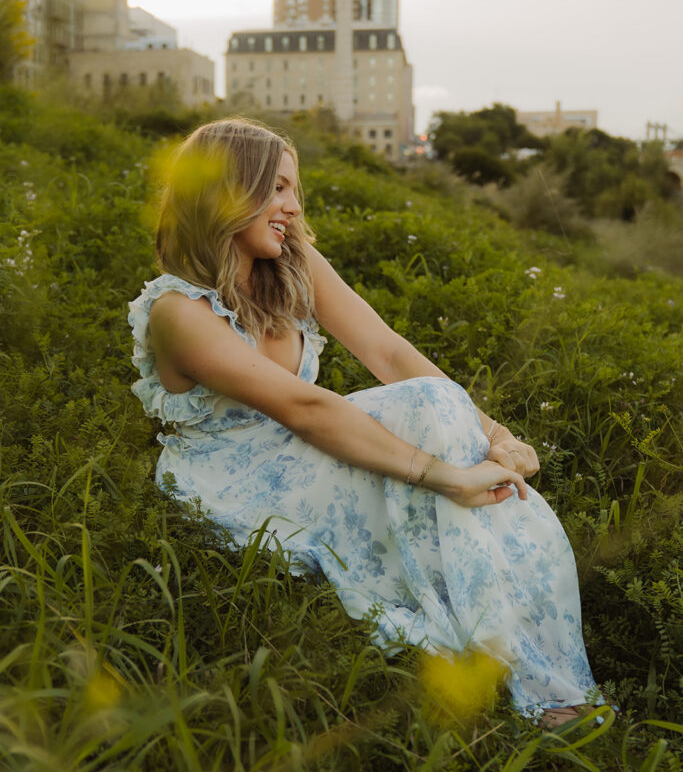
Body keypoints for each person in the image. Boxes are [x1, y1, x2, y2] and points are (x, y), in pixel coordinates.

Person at [129, 118, 600, 726]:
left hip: (307, 442)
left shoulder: (291, 261)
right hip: (232, 479)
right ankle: (520, 677)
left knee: (431, 402)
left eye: (294, 191)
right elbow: (304, 407)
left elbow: (389, 354)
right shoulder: (178, 312)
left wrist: (493, 434)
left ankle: (527, 662)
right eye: (275, 189)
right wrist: (441, 475)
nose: (292, 208)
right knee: (436, 455)